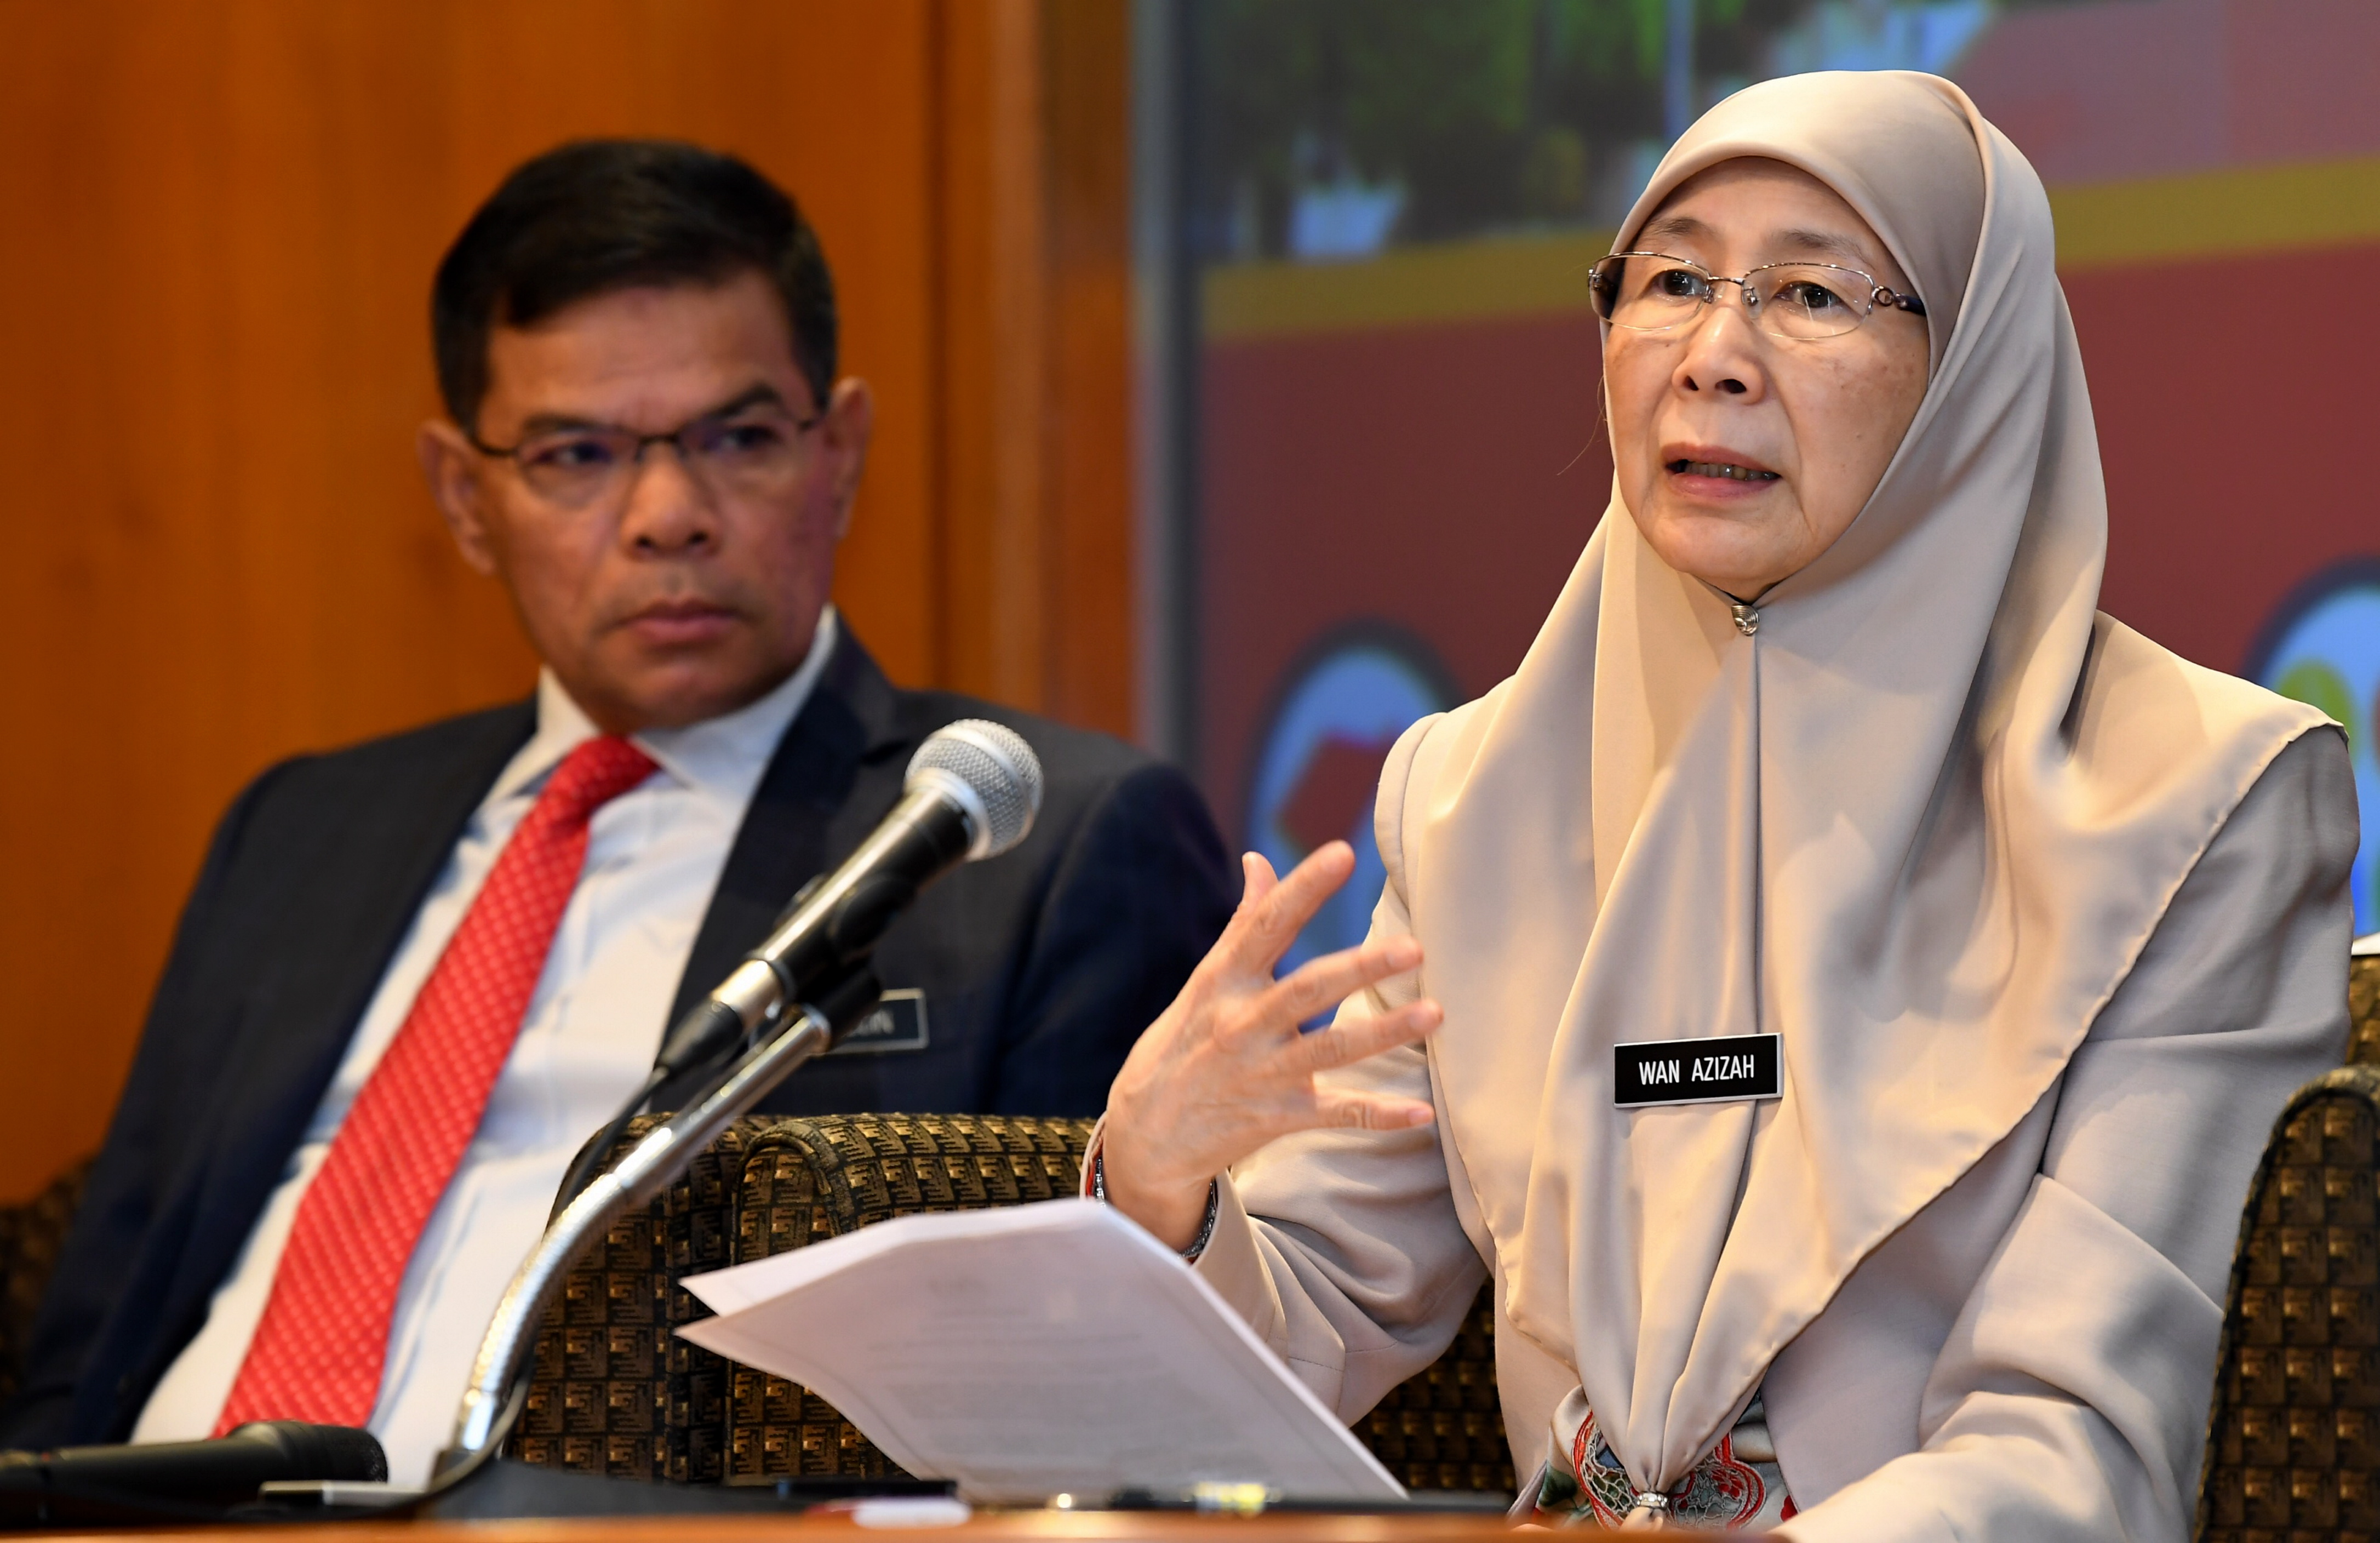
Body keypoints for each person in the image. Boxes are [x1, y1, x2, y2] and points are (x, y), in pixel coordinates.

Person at [1095, 71, 2354, 1538]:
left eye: (1811, 295)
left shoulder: (2199, 805)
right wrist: (1162, 1194)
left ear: (1974, 366)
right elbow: (1311, 1315)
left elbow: (2080, 1452)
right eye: (1672, 281)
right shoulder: (1474, 794)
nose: (1713, 358)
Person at [3, 139, 1234, 1482]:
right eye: (576, 453)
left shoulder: (1038, 849)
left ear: (839, 454)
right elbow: (91, 1329)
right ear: (465, 498)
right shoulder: (299, 833)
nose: (668, 515)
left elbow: (1079, 1382)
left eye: (738, 438)